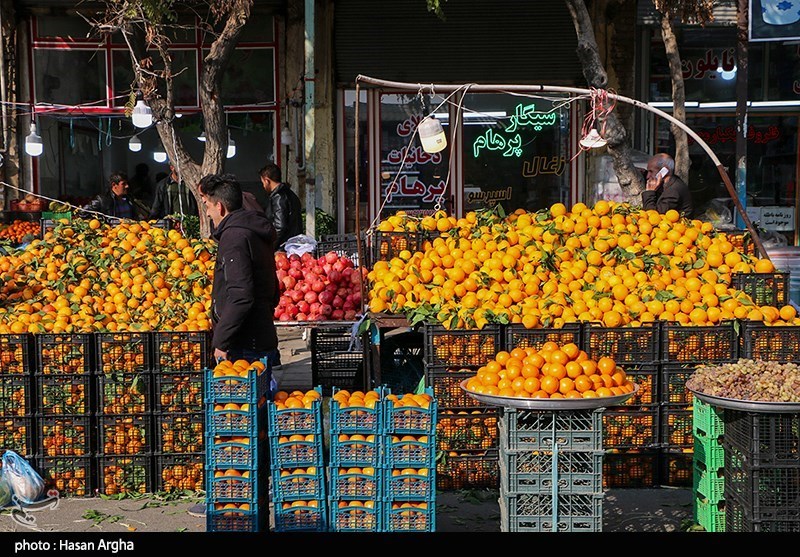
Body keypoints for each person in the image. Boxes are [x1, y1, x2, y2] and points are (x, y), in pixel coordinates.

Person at [198, 173, 280, 374]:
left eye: (207, 205)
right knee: (260, 399)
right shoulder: (252, 230)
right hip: (260, 332)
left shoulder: (234, 237)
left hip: (245, 342)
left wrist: (222, 341)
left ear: (220, 207)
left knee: (243, 402)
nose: (207, 213)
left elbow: (241, 295)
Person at [259, 162, 303, 250]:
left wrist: (269, 247)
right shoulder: (290, 194)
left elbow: (280, 227)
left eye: (263, 182)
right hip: (292, 245)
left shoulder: (278, 197)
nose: (263, 186)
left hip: (283, 248)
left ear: (267, 180)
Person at [81, 171, 149, 221]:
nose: (127, 186)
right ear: (114, 185)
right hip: (112, 235)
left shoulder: (130, 198)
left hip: (130, 234)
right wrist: (102, 221)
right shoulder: (102, 200)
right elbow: (82, 213)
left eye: (127, 183)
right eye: (123, 184)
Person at [642, 153, 694, 218]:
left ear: (664, 171)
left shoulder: (674, 191)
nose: (648, 176)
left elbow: (652, 216)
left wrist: (649, 192)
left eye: (651, 171)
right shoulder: (669, 182)